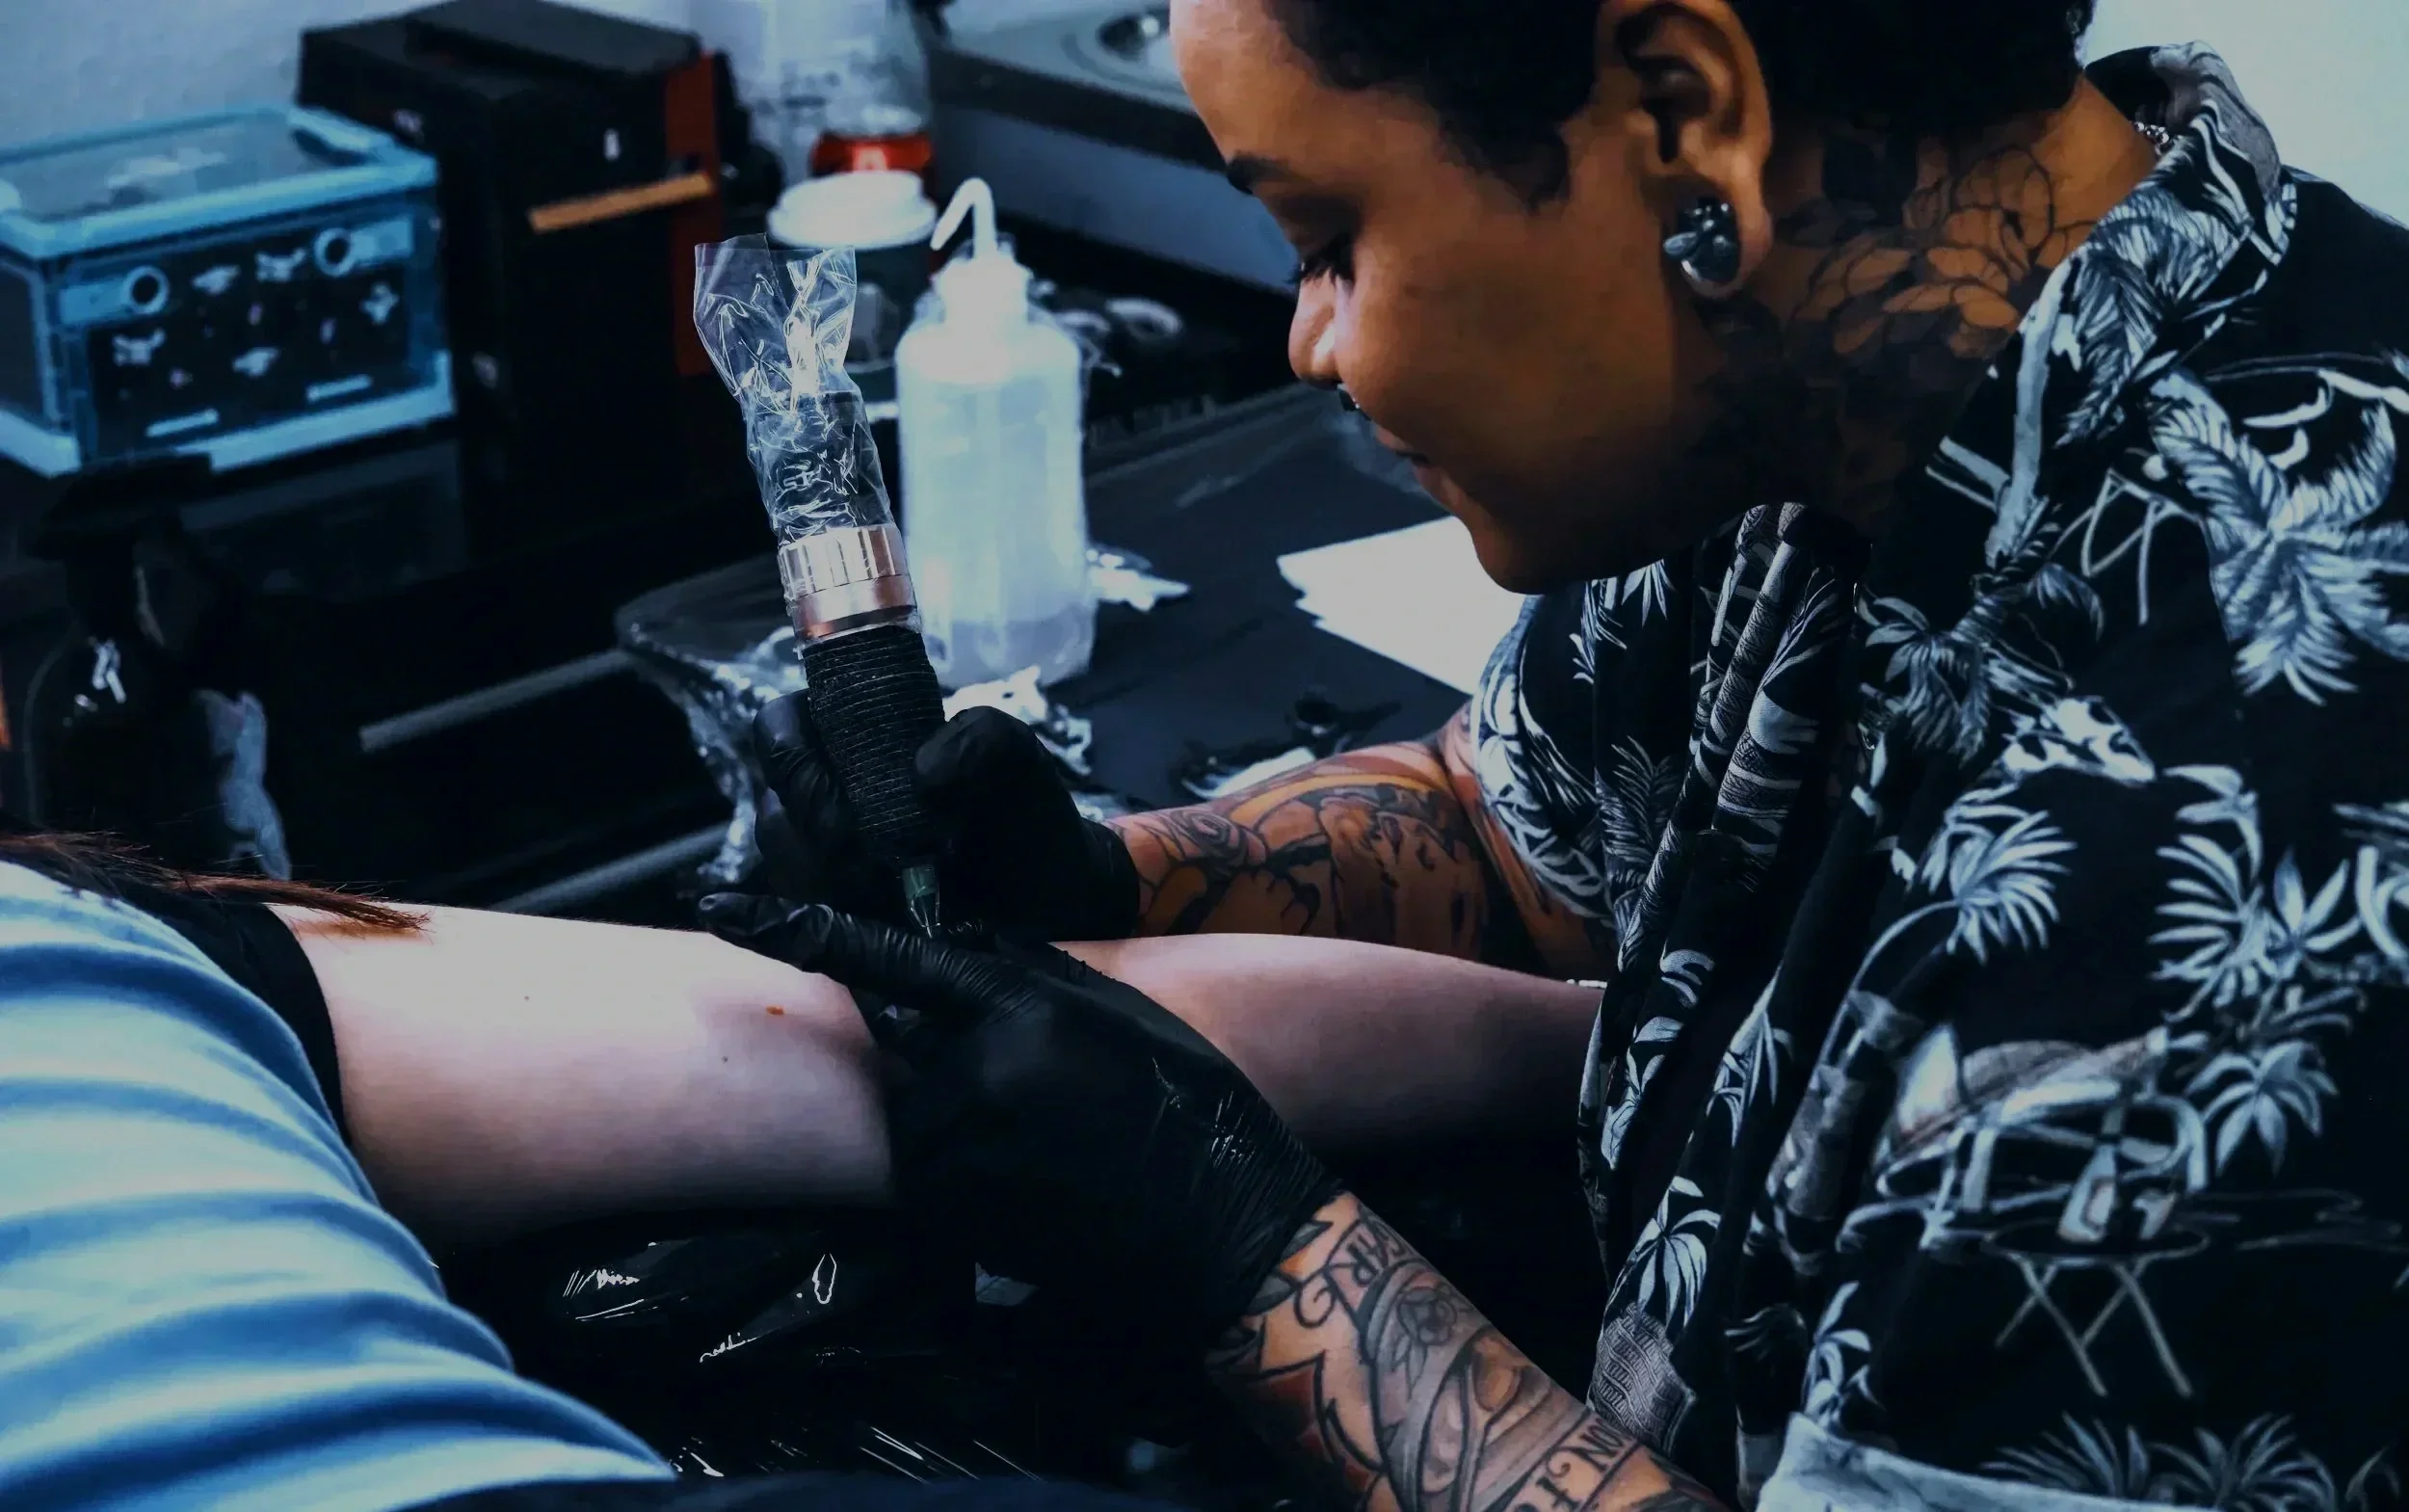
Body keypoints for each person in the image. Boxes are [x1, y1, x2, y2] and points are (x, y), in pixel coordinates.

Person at [734, 1, 2409, 1508]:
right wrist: (1121, 871)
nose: (1312, 340)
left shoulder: (2226, 872)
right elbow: (1509, 826)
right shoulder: (1841, 389)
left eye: (1329, 237)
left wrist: (1247, 1256)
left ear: (1684, 113)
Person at [0, 825, 1594, 1509]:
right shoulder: (57, 947)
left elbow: (930, 1041)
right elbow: (913, 1046)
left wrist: (1641, 1051)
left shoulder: (57, 950)